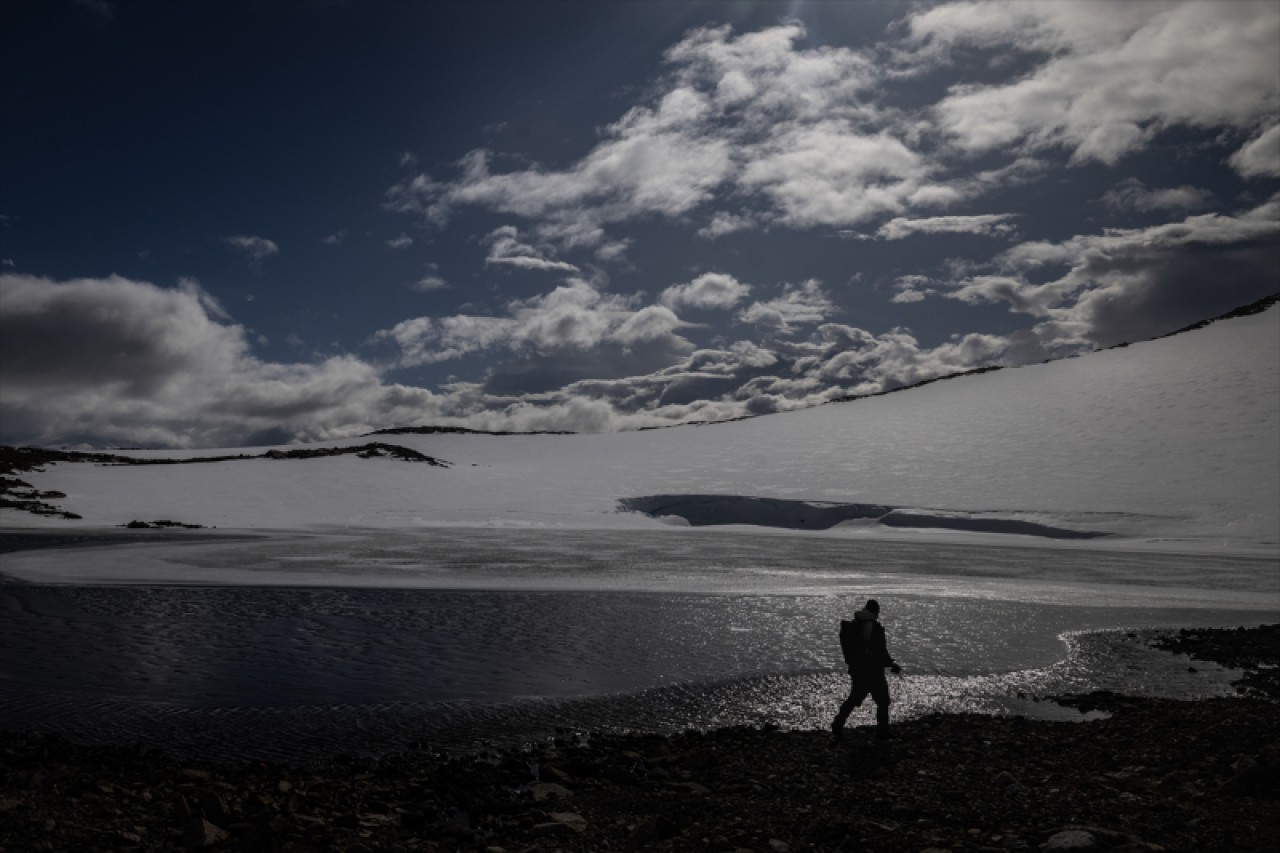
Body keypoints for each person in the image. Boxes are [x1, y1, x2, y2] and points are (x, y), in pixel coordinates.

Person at [832, 598, 901, 740]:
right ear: (876, 611)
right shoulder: (872, 626)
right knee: (883, 701)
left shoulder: (856, 623)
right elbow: (879, 650)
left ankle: (837, 724)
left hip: (858, 669)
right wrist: (891, 664)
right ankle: (882, 733)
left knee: (854, 698)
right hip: (872, 671)